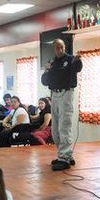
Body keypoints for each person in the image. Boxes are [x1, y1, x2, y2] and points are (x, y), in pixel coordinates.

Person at [41, 38, 82, 170]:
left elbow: (78, 68)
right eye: (57, 47)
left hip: (66, 94)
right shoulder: (51, 62)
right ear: (54, 49)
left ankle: (64, 158)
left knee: (64, 126)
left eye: (62, 47)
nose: (60, 50)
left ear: (64, 47)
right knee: (55, 130)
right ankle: (65, 155)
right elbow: (44, 82)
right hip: (54, 95)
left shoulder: (71, 59)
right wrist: (46, 70)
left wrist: (78, 61)